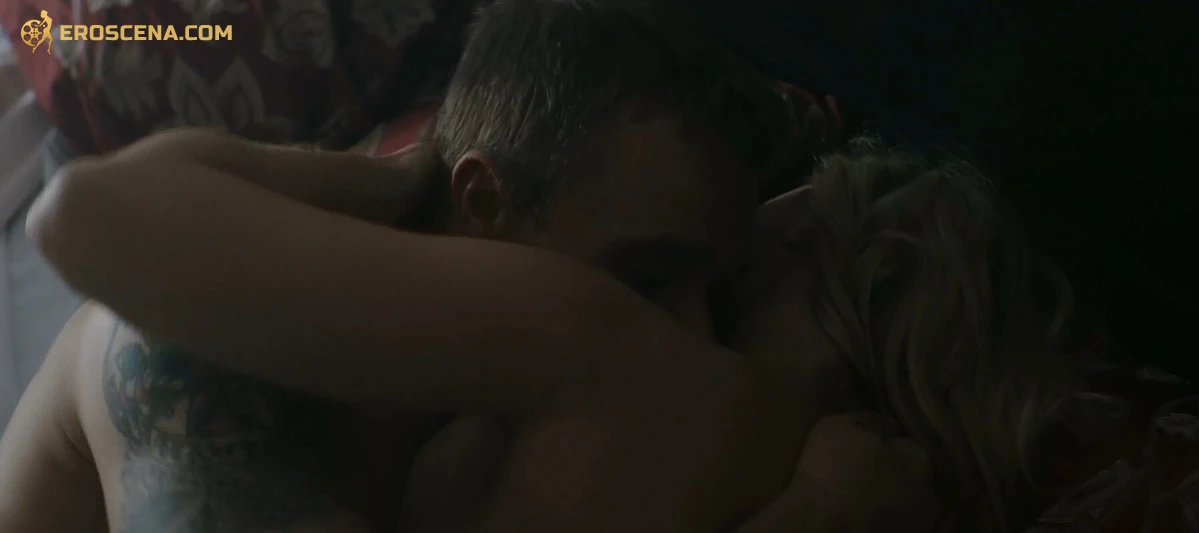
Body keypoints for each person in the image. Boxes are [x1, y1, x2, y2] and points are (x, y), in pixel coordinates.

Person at [3, 1, 944, 531]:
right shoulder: (207, 371)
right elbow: (75, 211)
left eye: (720, 298)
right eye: (650, 274)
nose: (693, 338)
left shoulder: (463, 432)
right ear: (483, 201)